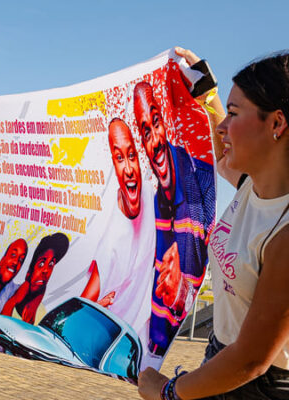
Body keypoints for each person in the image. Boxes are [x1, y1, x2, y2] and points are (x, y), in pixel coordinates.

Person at [138, 49, 289, 399]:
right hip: (222, 357)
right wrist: (207, 92)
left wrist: (167, 392)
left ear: (277, 124)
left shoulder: (284, 231)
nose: (222, 127)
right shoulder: (252, 186)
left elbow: (252, 359)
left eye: (234, 114)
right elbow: (222, 153)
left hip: (258, 386)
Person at [133, 80, 216, 358]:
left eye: (156, 123)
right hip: (150, 347)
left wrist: (208, 91)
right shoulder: (148, 197)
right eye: (145, 131)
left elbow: (221, 271)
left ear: (166, 125)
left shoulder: (201, 180)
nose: (153, 139)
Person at [89, 118, 156, 365]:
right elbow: (85, 303)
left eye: (131, 156)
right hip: (114, 351)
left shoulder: (149, 193)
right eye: (119, 158)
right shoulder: (108, 235)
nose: (128, 168)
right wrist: (96, 308)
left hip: (145, 348)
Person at [0, 233, 69, 325]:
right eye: (41, 264)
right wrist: (12, 302)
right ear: (29, 270)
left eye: (51, 264)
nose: (46, 270)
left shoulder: (42, 313)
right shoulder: (7, 292)